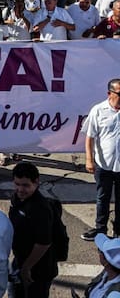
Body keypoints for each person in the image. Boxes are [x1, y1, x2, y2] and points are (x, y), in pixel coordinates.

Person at [8, 162, 57, 298]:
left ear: (36, 182)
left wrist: (26, 268)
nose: (20, 189)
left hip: (38, 270)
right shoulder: (17, 198)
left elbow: (43, 243)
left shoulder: (40, 209)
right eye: (17, 184)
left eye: (25, 185)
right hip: (20, 261)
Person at [82, 78, 120, 241]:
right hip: (104, 165)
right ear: (109, 93)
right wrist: (89, 160)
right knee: (102, 198)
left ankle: (118, 231)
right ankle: (100, 229)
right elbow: (89, 138)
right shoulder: (98, 110)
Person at [85, 234, 120, 298]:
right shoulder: (107, 272)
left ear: (106, 262)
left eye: (100, 251)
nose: (99, 253)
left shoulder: (115, 295)